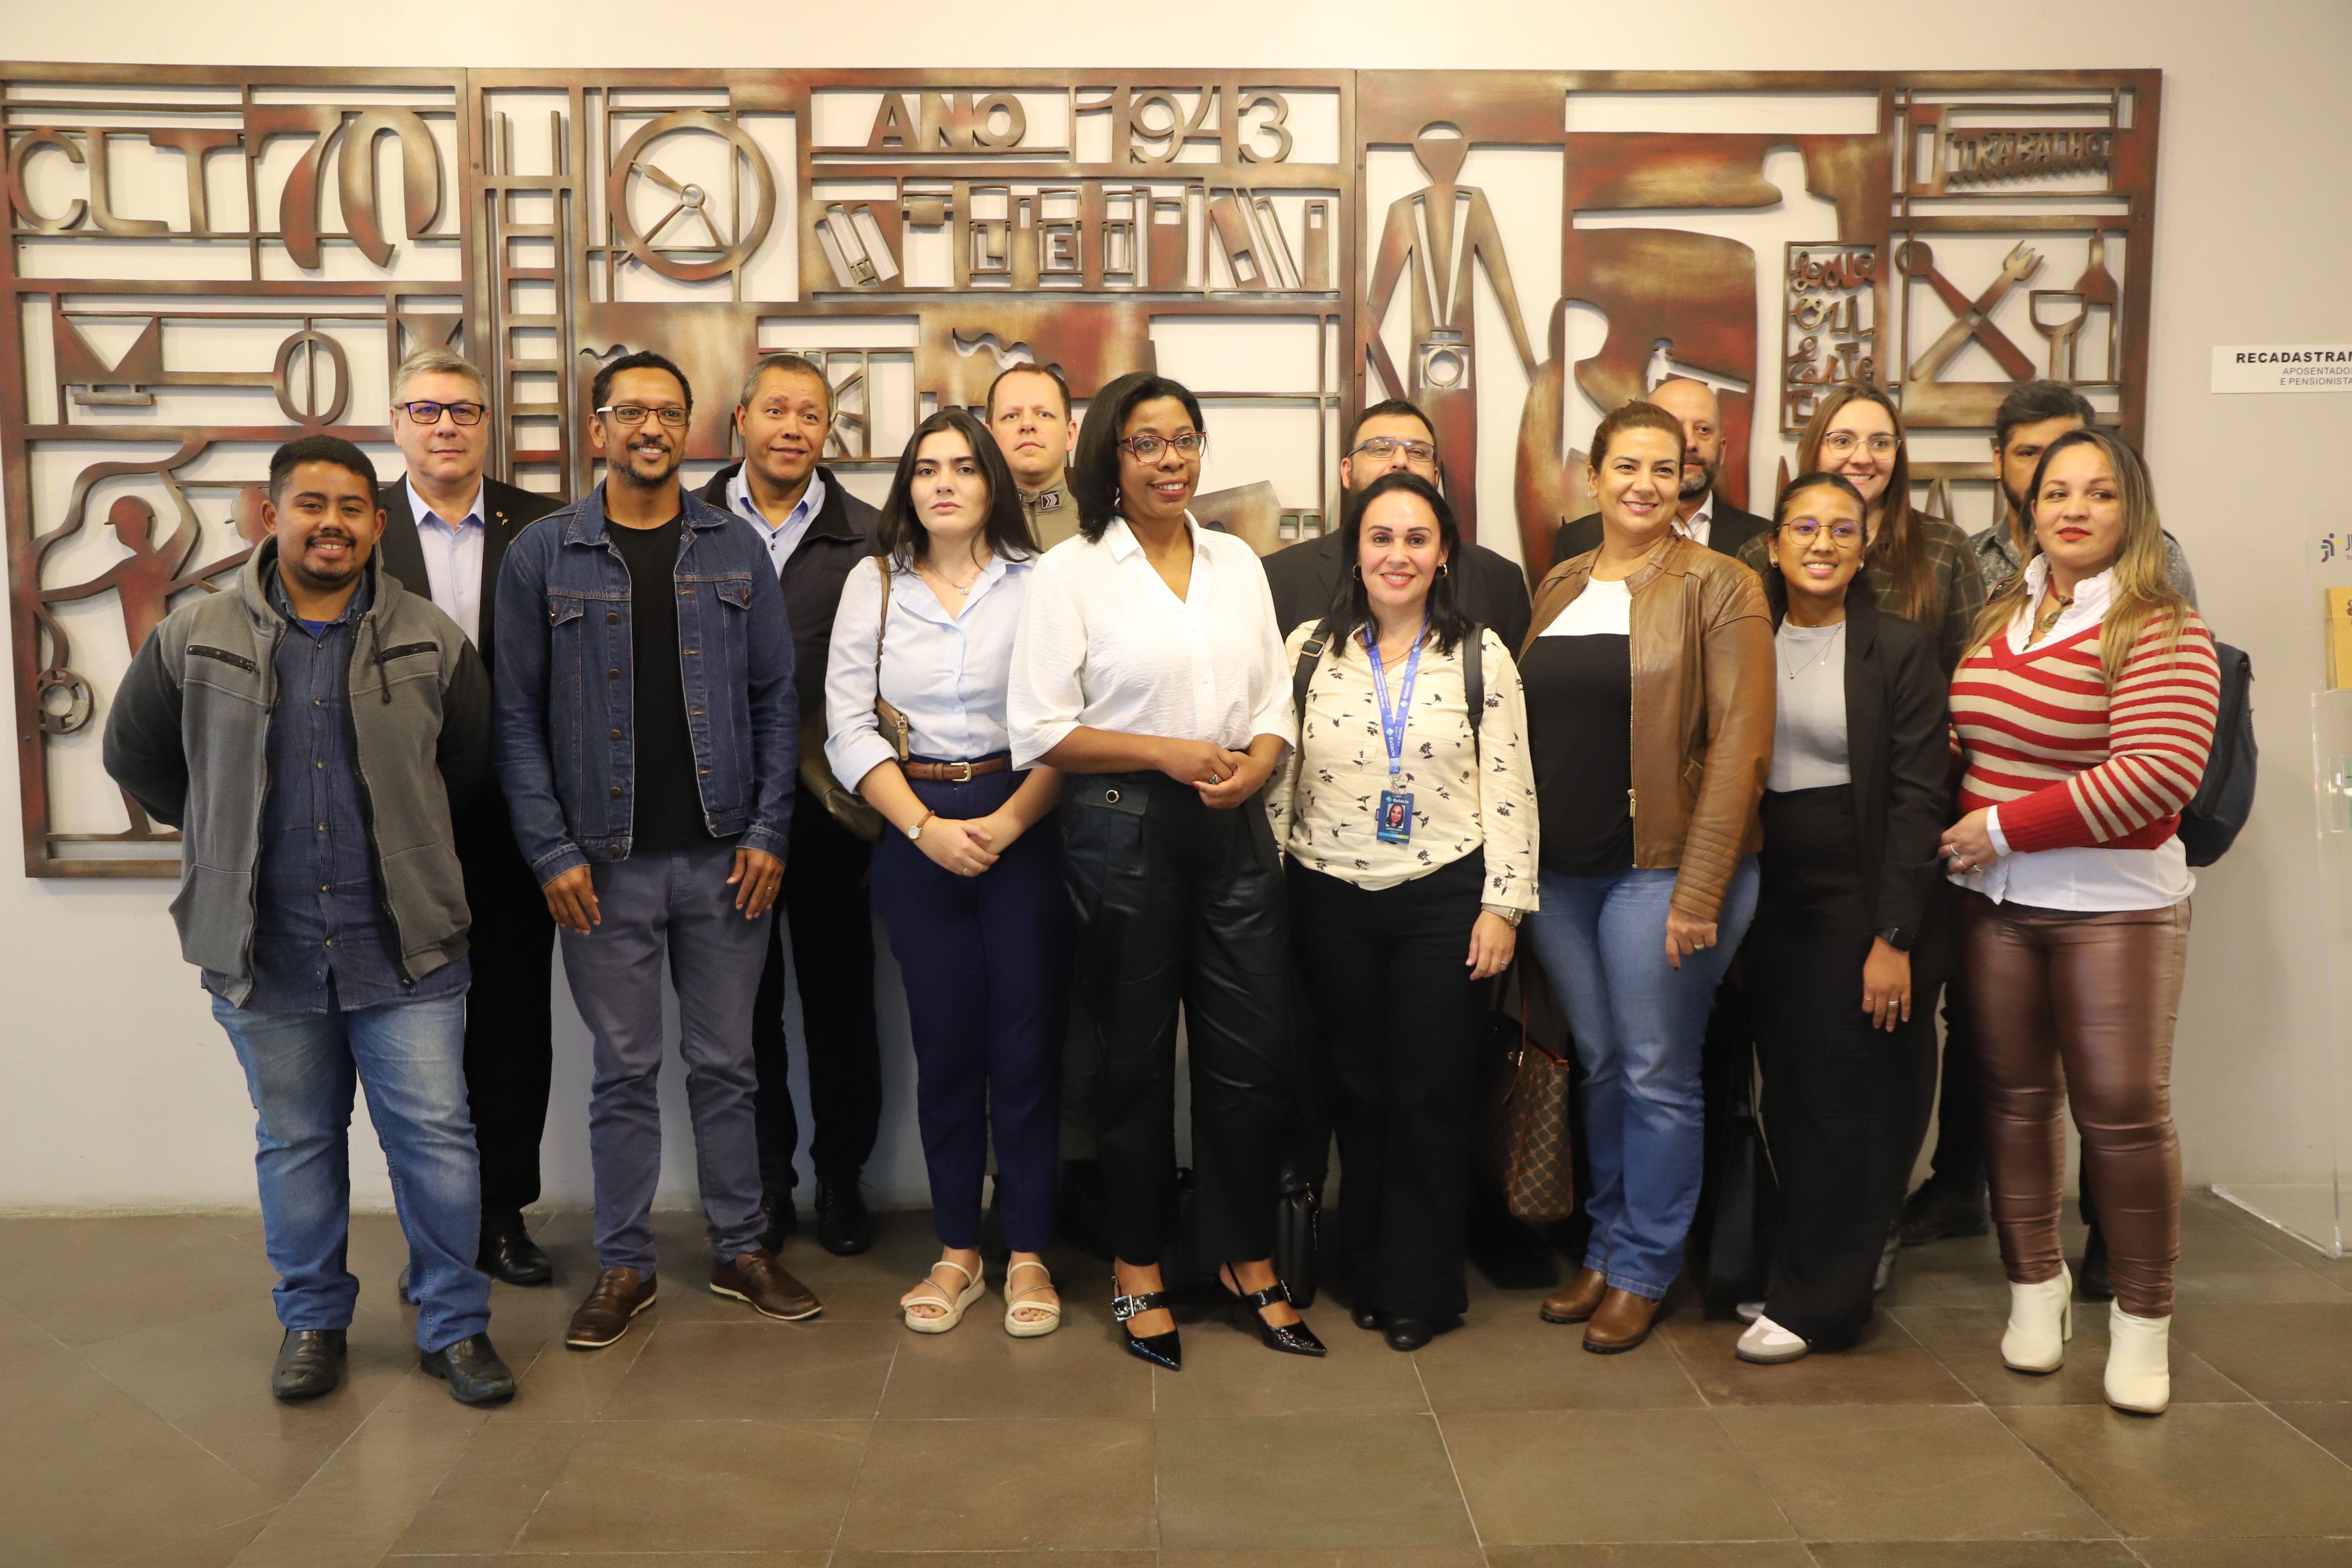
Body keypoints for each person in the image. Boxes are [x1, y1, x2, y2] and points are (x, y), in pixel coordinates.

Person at [103, 435, 516, 1407]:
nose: (331, 524)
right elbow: (141, 758)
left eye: (351, 509)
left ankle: (454, 1326)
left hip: (406, 944)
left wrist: (409, 847)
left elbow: (465, 769)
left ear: (377, 526)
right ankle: (312, 1321)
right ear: (269, 515)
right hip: (265, 945)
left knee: (440, 1143)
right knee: (296, 1142)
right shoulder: (194, 634)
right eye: (310, 506)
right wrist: (221, 833)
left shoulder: (429, 639)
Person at [497, 350, 818, 1349]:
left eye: (669, 414)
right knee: (626, 1070)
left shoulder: (735, 552)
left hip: (727, 861)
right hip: (604, 864)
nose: (650, 429)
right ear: (598, 429)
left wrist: (771, 830)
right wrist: (551, 853)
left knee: (729, 1065)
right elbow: (516, 720)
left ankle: (740, 1248)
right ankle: (626, 1265)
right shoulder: (544, 555)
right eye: (631, 412)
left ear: (692, 432)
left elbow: (777, 704)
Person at [1008, 370, 1323, 1368]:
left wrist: (1260, 762)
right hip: (1121, 829)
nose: (1171, 460)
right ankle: (1138, 1266)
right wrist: (1164, 754)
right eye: (1147, 444)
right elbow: (1041, 731)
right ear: (1110, 456)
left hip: (1233, 826)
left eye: (1184, 440)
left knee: (1250, 1057)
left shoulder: (1236, 562)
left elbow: (1275, 700)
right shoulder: (1072, 575)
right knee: (1133, 1060)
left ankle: (1242, 1257)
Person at [1940, 427, 2218, 1416]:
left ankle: (2144, 1323)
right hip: (1998, 907)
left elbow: (2157, 780)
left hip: (2115, 909)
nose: (2075, 509)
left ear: (2131, 511)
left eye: (2100, 493)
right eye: (2057, 491)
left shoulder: (2163, 625)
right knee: (2013, 1104)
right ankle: (2035, 1289)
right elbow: (1973, 732)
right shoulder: (2004, 614)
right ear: (2031, 508)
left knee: (2123, 1115)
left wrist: (2002, 828)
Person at [1519, 400, 1774, 1354]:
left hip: (1662, 872)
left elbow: (1743, 748)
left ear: (1686, 482)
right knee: (1598, 1065)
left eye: (1663, 469)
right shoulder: (1558, 584)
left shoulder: (1722, 584)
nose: (1644, 485)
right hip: (1561, 876)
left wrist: (1700, 890)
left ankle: (1643, 1266)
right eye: (1626, 466)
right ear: (1592, 475)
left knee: (1657, 1073)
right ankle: (1606, 1243)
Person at [1267, 471, 1538, 1351]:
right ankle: (1367, 1270)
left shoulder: (1479, 654)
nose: (1397, 555)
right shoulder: (1308, 648)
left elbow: (1510, 787)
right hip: (1325, 894)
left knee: (1426, 1090)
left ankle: (1420, 1287)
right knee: (1355, 1089)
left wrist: (1502, 906)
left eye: (1416, 539)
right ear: (1356, 547)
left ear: (1443, 552)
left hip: (1441, 897)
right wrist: (1266, 898)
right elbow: (1280, 781)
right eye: (1381, 537)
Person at [827, 407, 1069, 1335]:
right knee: (948, 1053)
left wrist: (1006, 822)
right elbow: (846, 725)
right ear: (907, 487)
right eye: (925, 469)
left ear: (992, 485)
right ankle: (959, 1251)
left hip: (1024, 825)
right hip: (915, 827)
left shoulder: (1041, 583)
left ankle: (1032, 1254)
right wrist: (924, 827)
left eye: (963, 469)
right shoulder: (874, 586)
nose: (942, 484)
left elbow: (1065, 719)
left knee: (1026, 1053)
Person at [1732, 474, 1951, 1365]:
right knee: (1783, 1091)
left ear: (1863, 549)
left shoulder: (1899, 650)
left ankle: (1822, 1305)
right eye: (1803, 528)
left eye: (1840, 530)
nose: (1821, 543)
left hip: (1858, 890)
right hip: (1763, 886)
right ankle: (1799, 1267)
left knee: (1842, 1100)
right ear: (1774, 545)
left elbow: (1916, 800)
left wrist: (1891, 936)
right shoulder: (1744, 637)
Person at [374, 348, 563, 1288]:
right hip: (393, 825)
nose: (445, 426)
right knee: (411, 1036)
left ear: (488, 425)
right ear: (396, 422)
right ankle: (432, 1224)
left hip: (514, 822)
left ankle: (501, 1216)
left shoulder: (542, 526)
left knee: (512, 1021)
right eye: (425, 410)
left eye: (463, 411)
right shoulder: (356, 527)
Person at [697, 353, 885, 1258]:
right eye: (777, 409)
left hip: (832, 812)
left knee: (842, 1004)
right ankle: (765, 1184)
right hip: (710, 814)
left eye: (811, 415)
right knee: (741, 1015)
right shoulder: (681, 522)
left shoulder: (871, 538)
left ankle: (842, 1179)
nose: (793, 428)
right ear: (741, 419)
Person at [1736, 383, 1984, 675]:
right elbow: (1738, 669)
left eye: (1880, 443)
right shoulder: (1758, 555)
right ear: (1812, 449)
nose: (1863, 458)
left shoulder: (1944, 547)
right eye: (1843, 441)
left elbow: (1969, 675)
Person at [1262, 398, 1532, 650]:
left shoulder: (1499, 581)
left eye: (1418, 452)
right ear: (1348, 472)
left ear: (1436, 476)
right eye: (1380, 448)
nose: (1401, 461)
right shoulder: (1279, 578)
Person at [1552, 377, 1769, 564]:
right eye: (1673, 427)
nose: (1689, 443)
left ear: (1722, 451)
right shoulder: (1578, 540)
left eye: (1703, 429)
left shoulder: (1763, 539)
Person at [987, 361, 1081, 548]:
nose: (1028, 424)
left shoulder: (1104, 532)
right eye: (1011, 416)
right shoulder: (968, 534)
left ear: (1070, 436)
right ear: (989, 440)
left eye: (1044, 414)